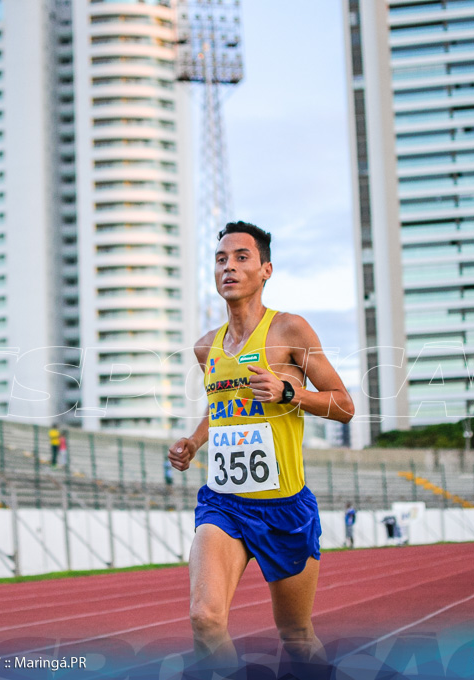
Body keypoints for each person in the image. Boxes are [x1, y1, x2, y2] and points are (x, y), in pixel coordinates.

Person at [167, 221, 354, 671]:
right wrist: (194, 441)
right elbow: (222, 406)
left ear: (266, 269)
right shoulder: (206, 347)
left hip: (284, 507)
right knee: (204, 619)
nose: (228, 266)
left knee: (296, 635)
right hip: (224, 504)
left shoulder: (290, 330)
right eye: (220, 259)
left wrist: (291, 393)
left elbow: (344, 406)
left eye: (241, 257)